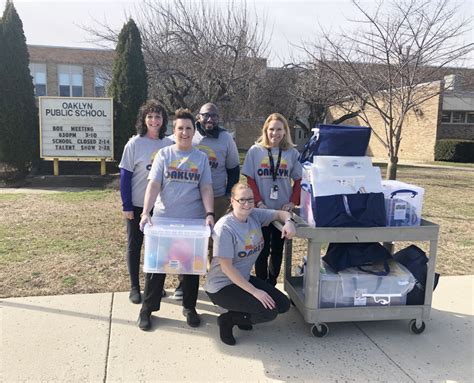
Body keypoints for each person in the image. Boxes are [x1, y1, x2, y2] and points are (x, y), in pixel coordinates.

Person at [137, 108, 214, 331]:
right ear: (174, 130)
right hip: (163, 221)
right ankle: (147, 309)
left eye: (189, 128)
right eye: (180, 128)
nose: (184, 132)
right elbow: (154, 184)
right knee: (156, 268)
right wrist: (146, 212)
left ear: (193, 130)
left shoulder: (201, 158)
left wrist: (209, 214)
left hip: (192, 222)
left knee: (191, 267)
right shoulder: (164, 155)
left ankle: (189, 307)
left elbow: (206, 187)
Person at [205, 182, 296, 346]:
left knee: (282, 304)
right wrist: (255, 292)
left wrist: (289, 221)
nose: (247, 204)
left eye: (250, 200)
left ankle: (242, 312)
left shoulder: (254, 215)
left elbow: (280, 214)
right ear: (232, 201)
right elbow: (227, 268)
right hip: (221, 286)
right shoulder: (224, 228)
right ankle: (227, 320)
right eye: (242, 200)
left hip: (242, 279)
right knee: (269, 311)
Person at [172, 102, 240, 300]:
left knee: (216, 242)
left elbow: (233, 169)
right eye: (206, 115)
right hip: (191, 198)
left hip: (217, 197)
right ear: (198, 117)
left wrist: (229, 194)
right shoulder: (191, 135)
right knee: (189, 243)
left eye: (214, 116)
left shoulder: (226, 138)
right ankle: (183, 283)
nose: (210, 119)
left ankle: (215, 283)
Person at [118, 100, 173, 304]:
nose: (154, 120)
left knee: (158, 249)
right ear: (144, 119)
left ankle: (155, 287)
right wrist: (127, 206)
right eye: (150, 116)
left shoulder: (168, 144)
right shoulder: (134, 143)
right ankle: (134, 287)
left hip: (159, 208)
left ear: (163, 120)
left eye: (158, 116)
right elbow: (124, 176)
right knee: (135, 246)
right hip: (137, 205)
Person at [242, 113, 302, 286]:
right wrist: (258, 202)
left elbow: (299, 180)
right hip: (261, 209)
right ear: (265, 131)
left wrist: (292, 201)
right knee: (261, 249)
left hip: (282, 211)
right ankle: (261, 283)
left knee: (277, 249)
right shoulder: (255, 151)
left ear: (285, 132)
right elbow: (250, 180)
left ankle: (272, 284)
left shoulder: (291, 153)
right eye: (271, 129)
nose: (274, 133)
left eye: (278, 129)